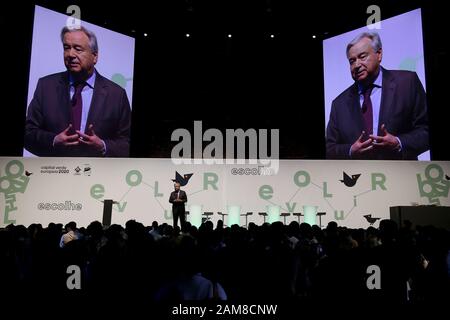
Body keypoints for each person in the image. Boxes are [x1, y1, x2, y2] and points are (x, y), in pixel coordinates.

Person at [25, 26, 131, 157]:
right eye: (66, 48)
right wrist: (53, 140)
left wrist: (103, 146)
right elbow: (28, 133)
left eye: (78, 49)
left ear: (95, 56)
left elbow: (127, 142)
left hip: (98, 174)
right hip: (55, 172)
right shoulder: (46, 86)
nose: (70, 54)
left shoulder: (117, 94)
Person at [326, 31, 429, 160]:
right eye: (352, 61)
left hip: (402, 175)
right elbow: (329, 149)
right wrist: (351, 150)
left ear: (379, 54)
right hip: (359, 176)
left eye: (362, 56)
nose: (356, 65)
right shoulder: (339, 104)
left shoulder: (407, 83)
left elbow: (426, 130)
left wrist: (399, 143)